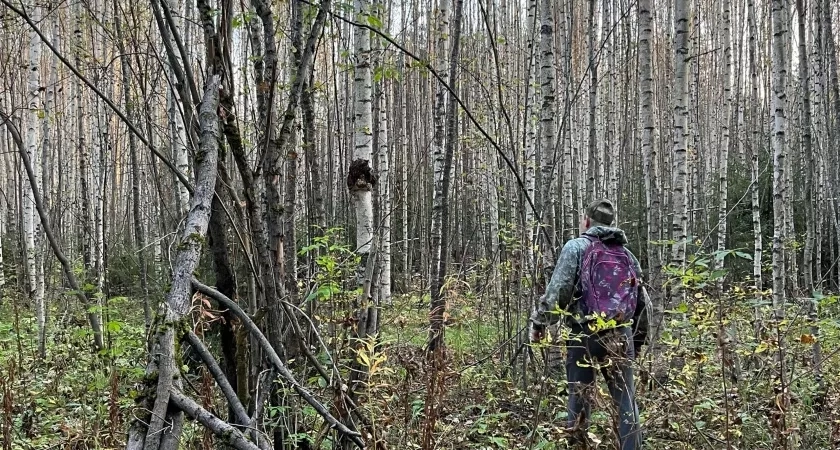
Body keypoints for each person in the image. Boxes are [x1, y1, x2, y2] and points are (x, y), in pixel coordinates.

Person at [529, 199, 650, 450]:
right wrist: (636, 340)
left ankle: (577, 444)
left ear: (586, 221)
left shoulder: (576, 247)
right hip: (620, 334)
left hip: (584, 333)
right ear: (610, 223)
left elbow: (558, 290)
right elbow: (642, 302)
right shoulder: (627, 256)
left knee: (579, 397)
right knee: (625, 399)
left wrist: (540, 322)